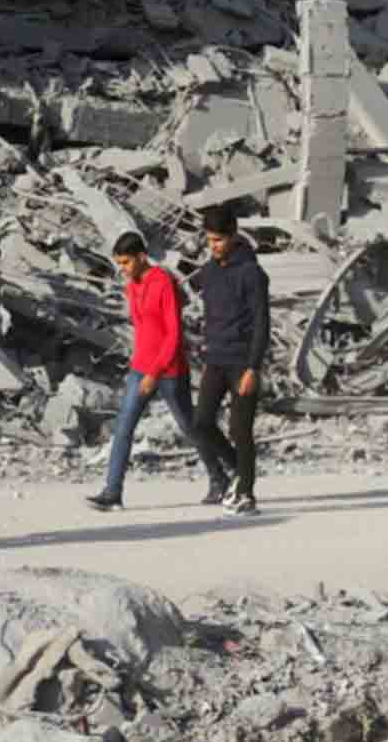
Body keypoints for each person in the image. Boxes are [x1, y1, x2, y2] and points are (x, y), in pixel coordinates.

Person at [85, 233, 230, 512]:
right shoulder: (132, 285)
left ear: (141, 257)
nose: (123, 268)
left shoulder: (163, 283)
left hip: (169, 371)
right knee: (124, 427)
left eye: (126, 262)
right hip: (141, 368)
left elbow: (173, 335)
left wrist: (154, 372)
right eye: (119, 263)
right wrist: (139, 365)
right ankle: (112, 492)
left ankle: (220, 477)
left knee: (189, 426)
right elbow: (142, 330)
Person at [194, 207, 270, 516]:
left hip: (242, 362)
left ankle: (247, 494)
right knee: (200, 423)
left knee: (241, 430)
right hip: (216, 359)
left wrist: (253, 366)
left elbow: (262, 322)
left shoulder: (251, 273)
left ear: (234, 235)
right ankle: (238, 471)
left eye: (219, 239)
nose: (214, 245)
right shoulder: (209, 272)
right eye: (210, 240)